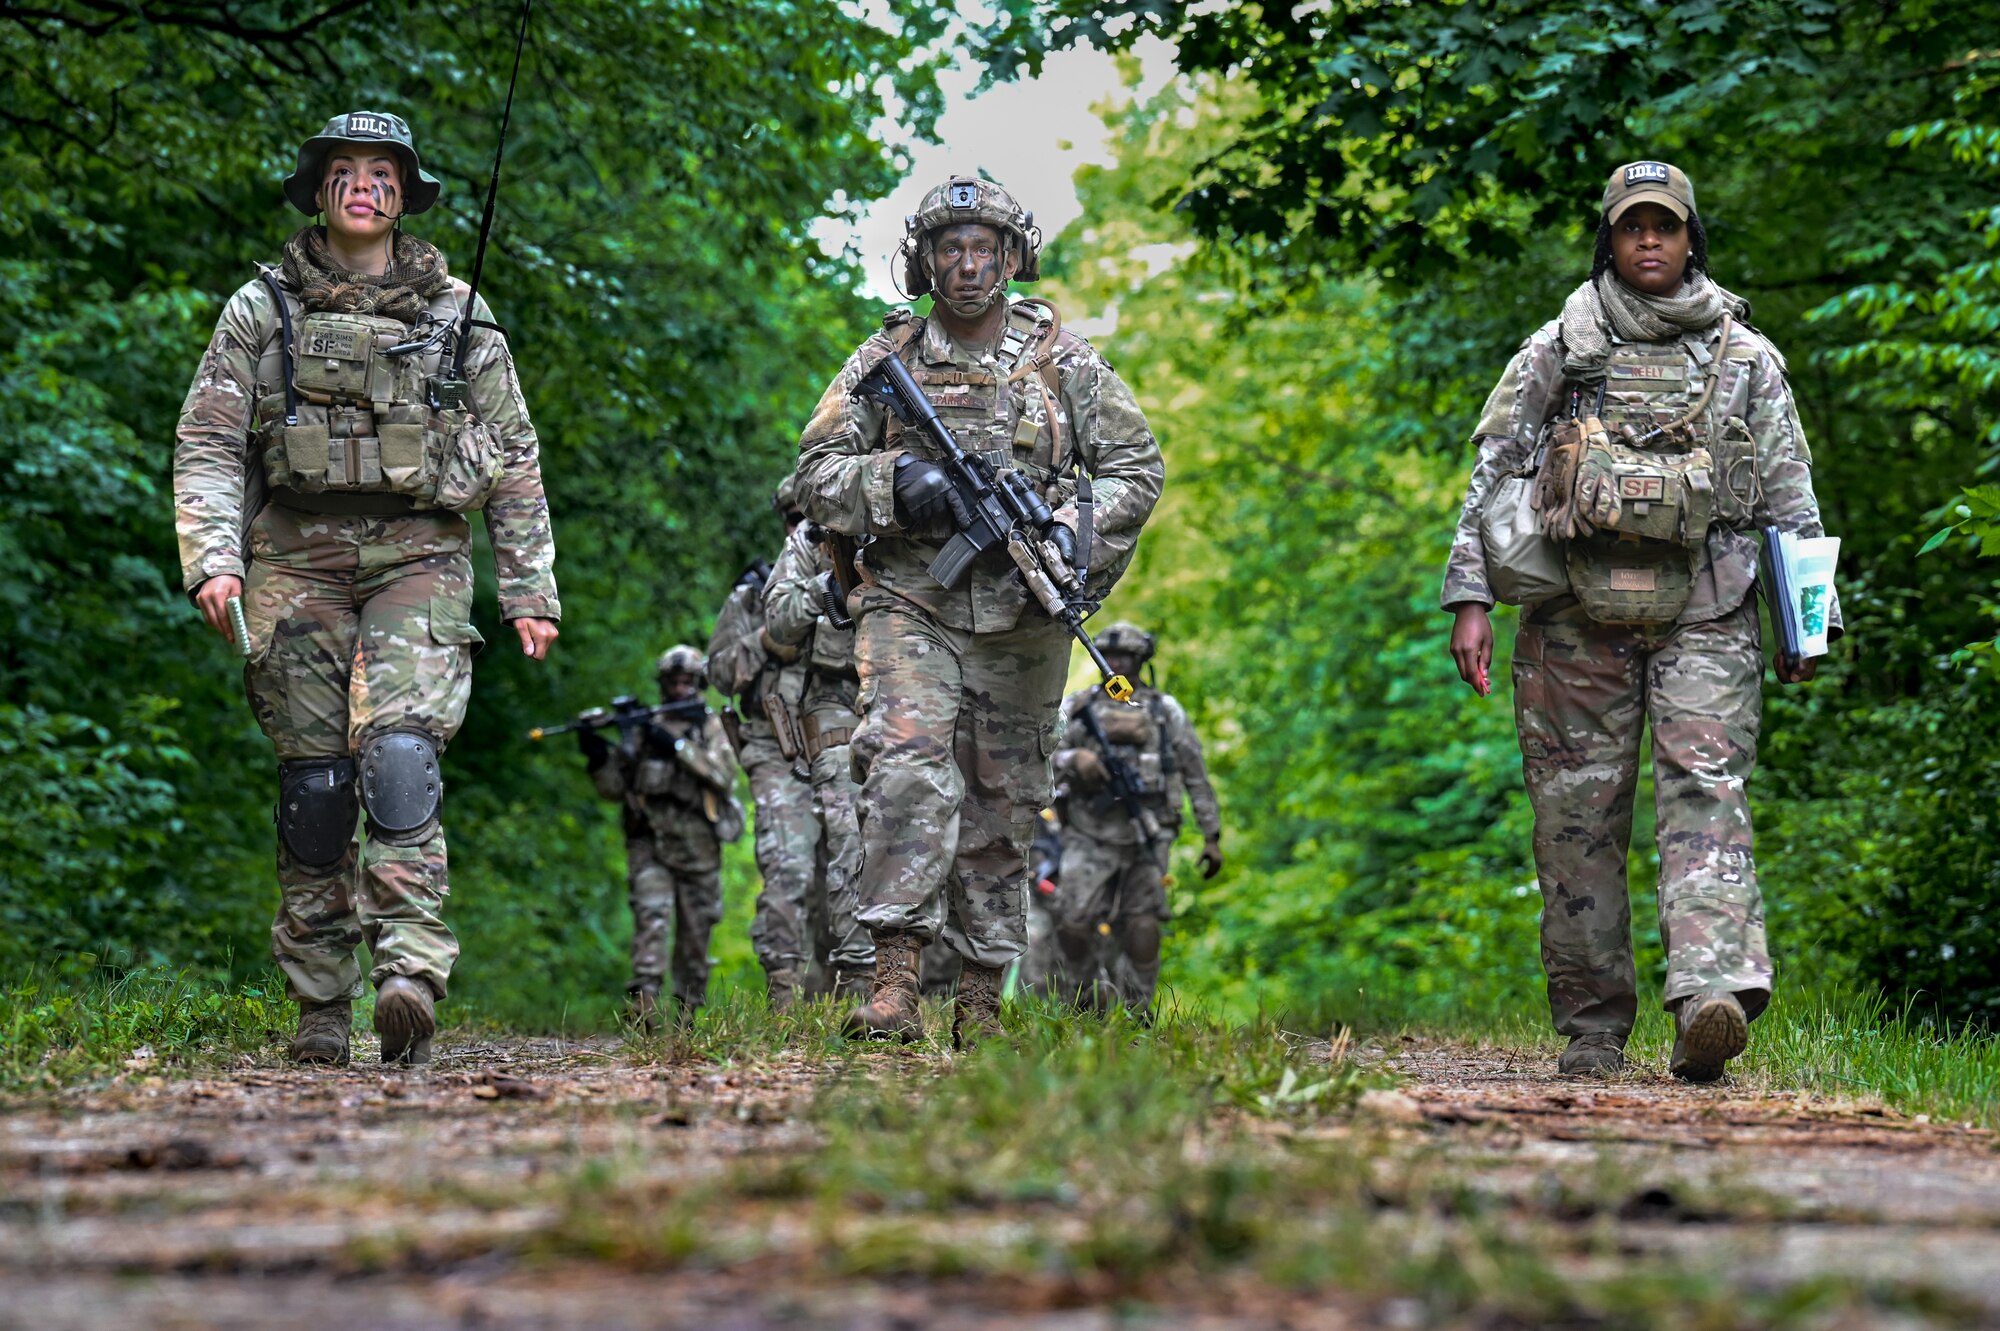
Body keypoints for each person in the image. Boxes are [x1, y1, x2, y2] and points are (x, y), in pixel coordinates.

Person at [174, 112, 559, 1067]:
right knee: (315, 788)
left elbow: (513, 454)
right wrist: (211, 557)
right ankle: (317, 1004)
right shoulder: (263, 308)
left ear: (404, 193)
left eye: (382, 173)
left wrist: (529, 589)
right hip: (295, 554)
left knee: (397, 759)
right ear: (318, 189)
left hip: (418, 556)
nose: (363, 185)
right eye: (344, 170)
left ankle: (410, 975)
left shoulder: (457, 312)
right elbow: (212, 439)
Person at [1443, 161, 1838, 1082]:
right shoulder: (1561, 346)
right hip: (1574, 610)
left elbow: (1792, 499)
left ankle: (1711, 994)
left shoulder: (1746, 358)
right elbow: (1493, 475)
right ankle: (1591, 1026)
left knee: (1707, 787)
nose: (1649, 240)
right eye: (1632, 227)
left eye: (1665, 225)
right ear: (1610, 240)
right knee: (1575, 815)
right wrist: (1470, 597)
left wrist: (1807, 623)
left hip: (1713, 605)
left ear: (1692, 235)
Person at [795, 175, 1165, 1047]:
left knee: (1007, 799)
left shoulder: (1063, 364)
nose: (967, 267)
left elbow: (1137, 469)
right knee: (905, 767)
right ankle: (894, 976)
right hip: (909, 602)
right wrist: (895, 485)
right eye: (950, 249)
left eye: (983, 249)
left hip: (1023, 614)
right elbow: (810, 476)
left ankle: (979, 994)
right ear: (924, 260)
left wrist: (1077, 533)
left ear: (1011, 257)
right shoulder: (883, 362)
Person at [1047, 623, 1222, 1017]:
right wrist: (1074, 760)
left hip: (1148, 831)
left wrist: (1211, 835)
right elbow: (1040, 754)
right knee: (1072, 921)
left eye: (1129, 655)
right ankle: (1087, 998)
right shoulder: (1077, 707)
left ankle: (1136, 1009)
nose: (1119, 663)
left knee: (1142, 925)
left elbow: (1194, 770)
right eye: (1113, 655)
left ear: (1142, 660)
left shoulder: (1164, 711)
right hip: (1088, 832)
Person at [706, 480, 829, 1009]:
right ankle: (784, 992)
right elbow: (718, 671)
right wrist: (764, 643)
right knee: (789, 867)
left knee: (847, 873)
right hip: (774, 746)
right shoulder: (754, 596)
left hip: (842, 745)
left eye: (812, 516)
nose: (801, 525)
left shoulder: (853, 578)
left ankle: (848, 992)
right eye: (792, 516)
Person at [579, 647, 741, 1029]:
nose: (680, 688)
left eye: (688, 682)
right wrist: (597, 755)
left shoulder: (709, 726)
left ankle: (687, 1011)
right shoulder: (644, 725)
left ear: (700, 684)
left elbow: (724, 776)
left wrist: (678, 747)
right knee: (650, 916)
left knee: (695, 933)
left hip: (697, 846)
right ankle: (644, 1004)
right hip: (649, 841)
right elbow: (615, 788)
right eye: (673, 681)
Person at [761, 513, 876, 1001]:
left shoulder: (920, 508)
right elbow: (778, 622)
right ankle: (858, 981)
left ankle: (916, 981)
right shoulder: (812, 540)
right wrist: (830, 582)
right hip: (835, 701)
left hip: (913, 693)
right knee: (849, 837)